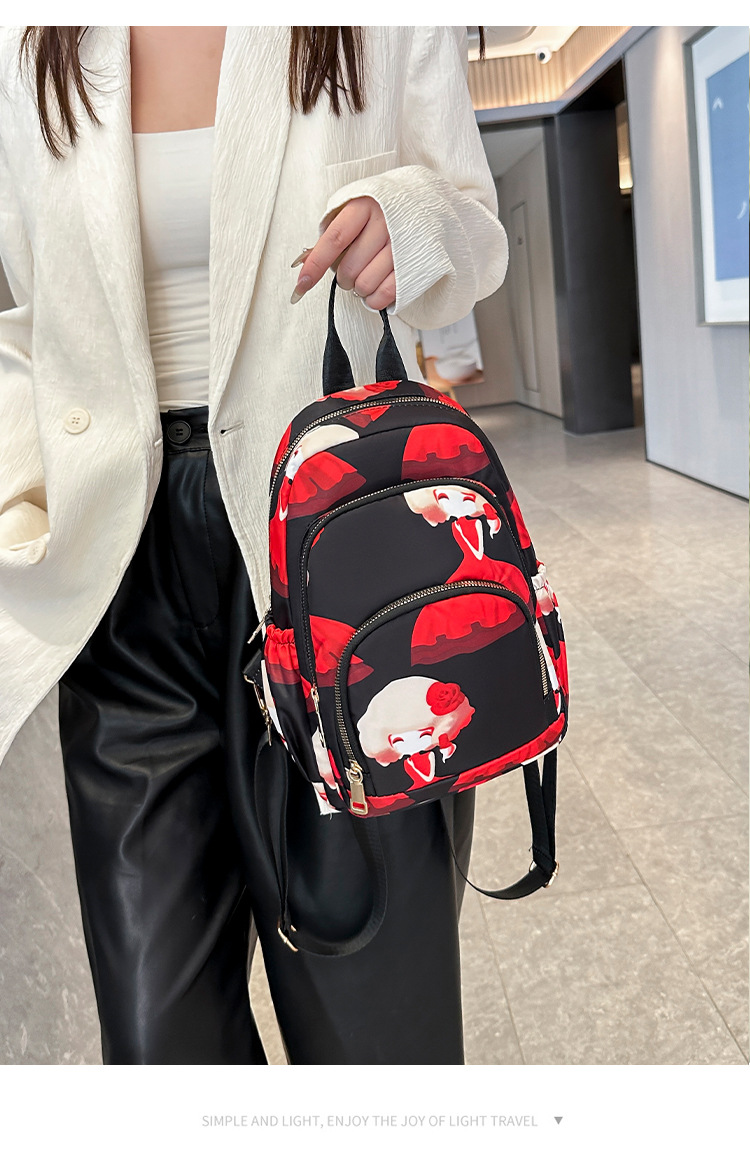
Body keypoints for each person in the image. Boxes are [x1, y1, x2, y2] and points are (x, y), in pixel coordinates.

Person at [0, 25, 509, 1064]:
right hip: (122, 578)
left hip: (338, 563)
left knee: (376, 1030)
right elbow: (22, 310)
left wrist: (408, 221)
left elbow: (474, 229)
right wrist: (19, 495)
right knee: (159, 1043)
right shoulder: (26, 37)